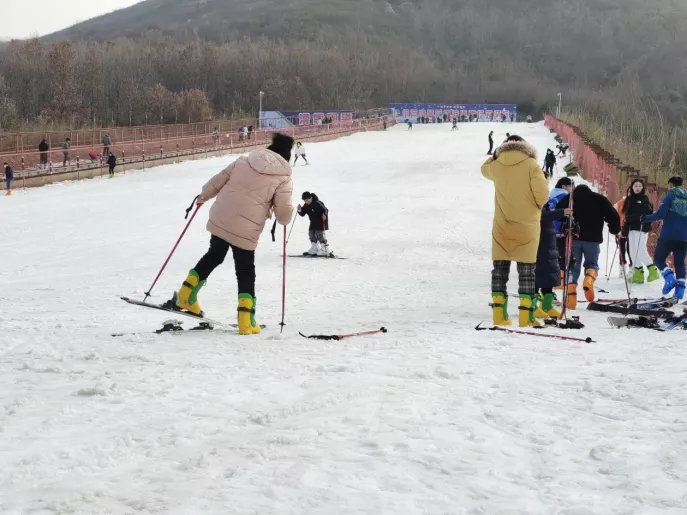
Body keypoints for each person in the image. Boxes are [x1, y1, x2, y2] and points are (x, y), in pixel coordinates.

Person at [175, 133, 295, 335]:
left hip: (222, 216)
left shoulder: (243, 161)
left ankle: (186, 294)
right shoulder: (284, 179)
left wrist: (203, 196)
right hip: (246, 230)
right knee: (245, 270)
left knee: (214, 255)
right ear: (287, 157)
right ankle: (246, 320)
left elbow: (217, 181)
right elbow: (283, 213)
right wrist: (284, 219)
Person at [481, 135, 549, 327]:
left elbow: (483, 169)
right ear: (525, 147)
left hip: (502, 225)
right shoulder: (531, 164)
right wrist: (535, 206)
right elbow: (543, 195)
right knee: (527, 271)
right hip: (527, 225)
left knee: (499, 270)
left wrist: (495, 155)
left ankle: (499, 315)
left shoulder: (496, 165)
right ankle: (526, 317)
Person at [556, 184, 621, 307]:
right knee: (592, 264)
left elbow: (558, 212)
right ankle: (588, 280)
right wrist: (615, 229)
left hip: (574, 239)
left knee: (572, 267)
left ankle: (571, 302)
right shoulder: (599, 199)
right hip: (593, 240)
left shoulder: (570, 198)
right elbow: (613, 215)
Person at [642, 176, 687, 300]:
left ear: (670, 186)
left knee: (658, 258)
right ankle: (679, 292)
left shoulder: (670, 197)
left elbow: (660, 214)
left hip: (668, 235)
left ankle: (670, 279)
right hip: (684, 237)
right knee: (679, 263)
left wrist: (644, 218)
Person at [535, 198, 573, 319]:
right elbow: (542, 216)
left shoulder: (543, 205)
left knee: (550, 277)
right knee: (536, 277)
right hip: (538, 248)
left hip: (548, 248)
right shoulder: (531, 204)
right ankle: (531, 306)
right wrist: (560, 212)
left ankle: (547, 305)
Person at [620, 179, 659, 284]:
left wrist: (629, 219)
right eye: (635, 186)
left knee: (640, 250)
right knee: (632, 251)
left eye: (639, 186)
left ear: (643, 188)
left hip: (641, 228)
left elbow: (642, 214)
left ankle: (652, 269)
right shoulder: (630, 199)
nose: (637, 188)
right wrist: (625, 228)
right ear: (632, 187)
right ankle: (638, 273)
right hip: (632, 228)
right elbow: (627, 214)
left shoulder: (644, 199)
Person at [547, 177, 574, 289]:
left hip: (549, 228)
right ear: (564, 186)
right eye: (570, 186)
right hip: (562, 229)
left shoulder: (550, 195)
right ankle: (562, 279)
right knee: (563, 253)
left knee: (552, 254)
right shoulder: (565, 196)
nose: (571, 189)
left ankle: (554, 277)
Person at [298, 191, 331, 256]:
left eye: (307, 200)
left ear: (310, 198)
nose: (306, 201)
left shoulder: (317, 203)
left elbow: (325, 210)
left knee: (319, 234)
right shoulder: (306, 205)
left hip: (320, 221)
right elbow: (303, 213)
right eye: (305, 200)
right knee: (311, 234)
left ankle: (325, 249)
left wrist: (324, 214)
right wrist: (300, 210)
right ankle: (314, 248)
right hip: (313, 222)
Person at [613, 197, 633, 278]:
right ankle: (622, 269)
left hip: (632, 230)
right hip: (621, 229)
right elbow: (614, 214)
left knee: (630, 249)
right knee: (621, 249)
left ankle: (632, 268)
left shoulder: (635, 203)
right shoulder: (619, 203)